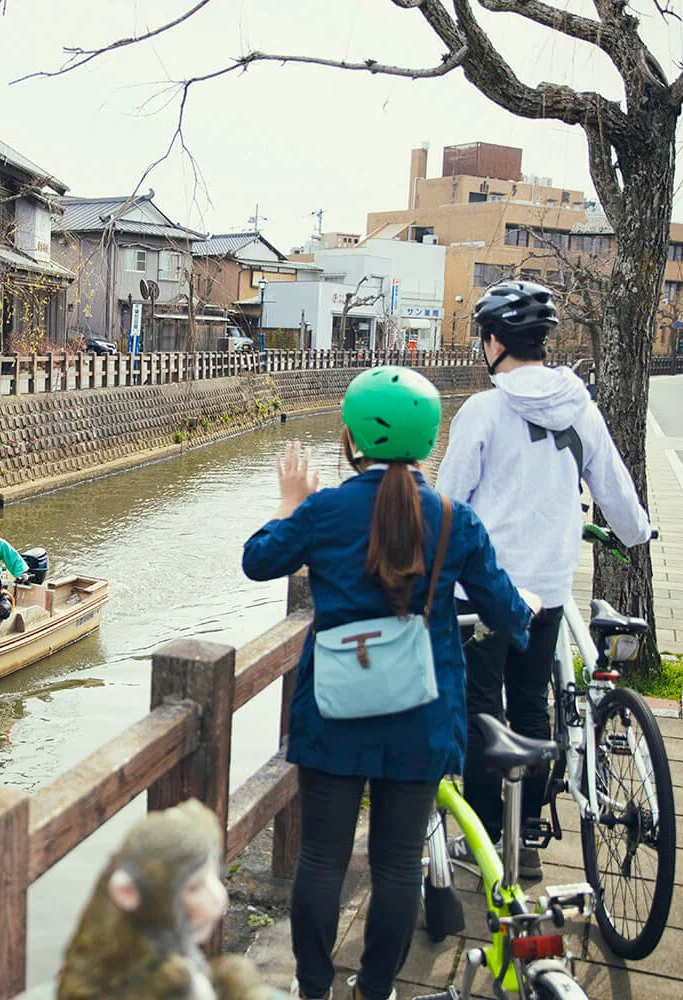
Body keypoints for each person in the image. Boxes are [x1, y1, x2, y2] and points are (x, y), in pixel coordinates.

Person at [243, 367, 532, 1000]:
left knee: (321, 859)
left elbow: (258, 560)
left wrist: (290, 504)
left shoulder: (326, 510)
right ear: (431, 441)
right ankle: (376, 990)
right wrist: (529, 616)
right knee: (398, 865)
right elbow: (508, 610)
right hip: (419, 716)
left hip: (335, 709)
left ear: (349, 439)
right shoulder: (454, 519)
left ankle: (313, 988)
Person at [437, 280, 651, 878]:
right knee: (531, 700)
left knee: (484, 706)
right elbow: (613, 485)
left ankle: (483, 839)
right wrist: (637, 533)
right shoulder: (579, 406)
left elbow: (449, 502)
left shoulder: (484, 410)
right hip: (548, 588)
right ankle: (527, 833)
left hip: (482, 592)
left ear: (495, 341)